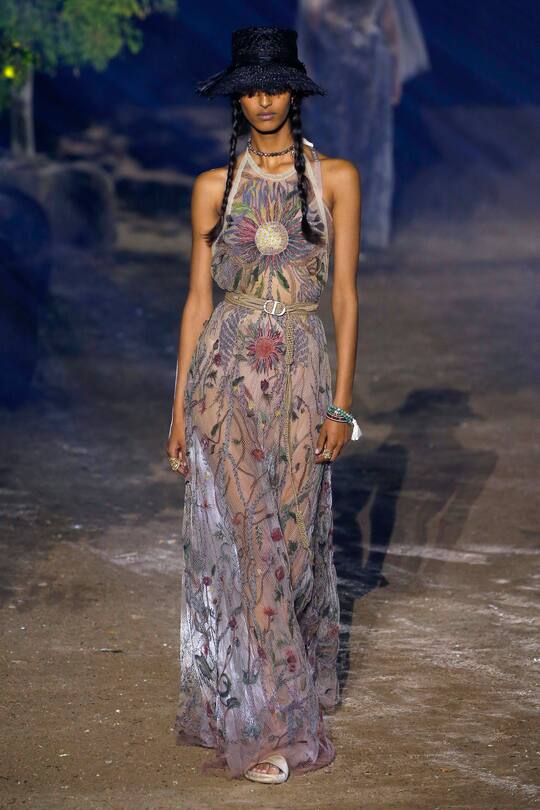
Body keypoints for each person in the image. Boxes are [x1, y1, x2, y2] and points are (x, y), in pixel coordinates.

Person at [166, 26, 362, 783]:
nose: (264, 99)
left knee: (293, 545)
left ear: (295, 92)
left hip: (303, 378)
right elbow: (194, 302)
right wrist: (179, 407)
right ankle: (264, 726)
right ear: (237, 96)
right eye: (251, 87)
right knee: (251, 549)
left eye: (276, 85)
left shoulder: (334, 178)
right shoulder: (212, 187)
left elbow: (344, 297)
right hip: (223, 379)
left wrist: (342, 408)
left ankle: (274, 693)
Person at [297, 0, 430, 252]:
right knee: (363, 148)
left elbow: (312, 21)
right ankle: (359, 229)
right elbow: (389, 27)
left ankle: (341, 227)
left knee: (345, 146)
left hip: (346, 67)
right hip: (358, 67)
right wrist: (393, 76)